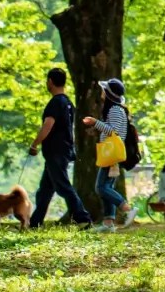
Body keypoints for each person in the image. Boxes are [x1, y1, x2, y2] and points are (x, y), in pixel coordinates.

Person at [27, 68, 93, 229]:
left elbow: (47, 126)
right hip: (62, 150)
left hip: (56, 151)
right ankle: (35, 223)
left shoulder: (56, 102)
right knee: (45, 190)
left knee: (63, 186)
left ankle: (83, 218)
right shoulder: (68, 103)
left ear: (50, 81)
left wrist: (34, 144)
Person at [83, 78, 137, 232]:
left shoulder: (114, 110)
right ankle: (108, 223)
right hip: (111, 153)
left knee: (101, 187)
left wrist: (95, 123)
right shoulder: (117, 110)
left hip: (110, 153)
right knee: (107, 187)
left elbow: (114, 131)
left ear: (107, 94)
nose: (101, 93)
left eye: (103, 90)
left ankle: (127, 209)